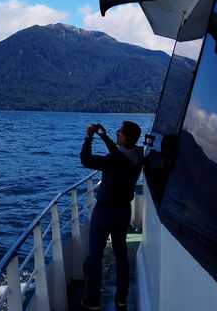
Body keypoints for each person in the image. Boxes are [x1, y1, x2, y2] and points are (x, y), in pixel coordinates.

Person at [79, 121, 143, 310]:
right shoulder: (138, 155)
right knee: (121, 254)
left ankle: (93, 300)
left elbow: (86, 160)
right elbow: (119, 154)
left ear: (123, 137)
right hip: (123, 211)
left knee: (95, 255)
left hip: (105, 212)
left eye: (118, 133)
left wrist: (89, 136)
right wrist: (104, 136)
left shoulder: (114, 160)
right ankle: (122, 298)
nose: (117, 134)